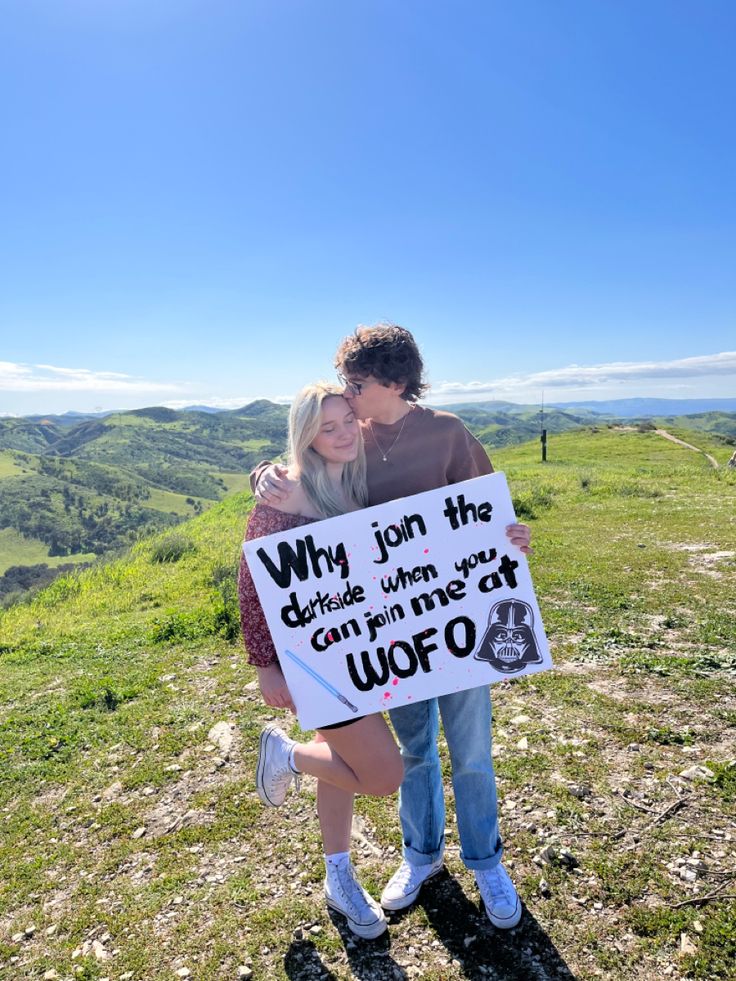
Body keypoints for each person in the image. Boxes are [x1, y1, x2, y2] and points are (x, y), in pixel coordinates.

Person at [253, 324, 532, 930]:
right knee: (414, 751)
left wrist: (512, 538)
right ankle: (420, 855)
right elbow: (310, 483)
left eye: (357, 385)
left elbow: (489, 511)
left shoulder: (448, 433)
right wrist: (269, 480)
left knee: (473, 753)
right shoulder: (349, 439)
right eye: (346, 385)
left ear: (396, 382)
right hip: (388, 636)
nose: (347, 398)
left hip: (458, 627)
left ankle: (487, 863)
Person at [238, 382, 404, 940]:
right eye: (325, 428)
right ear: (305, 437)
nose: (340, 435)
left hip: (368, 651)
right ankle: (286, 755)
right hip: (316, 663)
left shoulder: (357, 480)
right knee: (382, 775)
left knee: (349, 766)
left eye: (346, 422)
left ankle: (339, 875)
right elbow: (252, 579)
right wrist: (265, 664)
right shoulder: (286, 492)